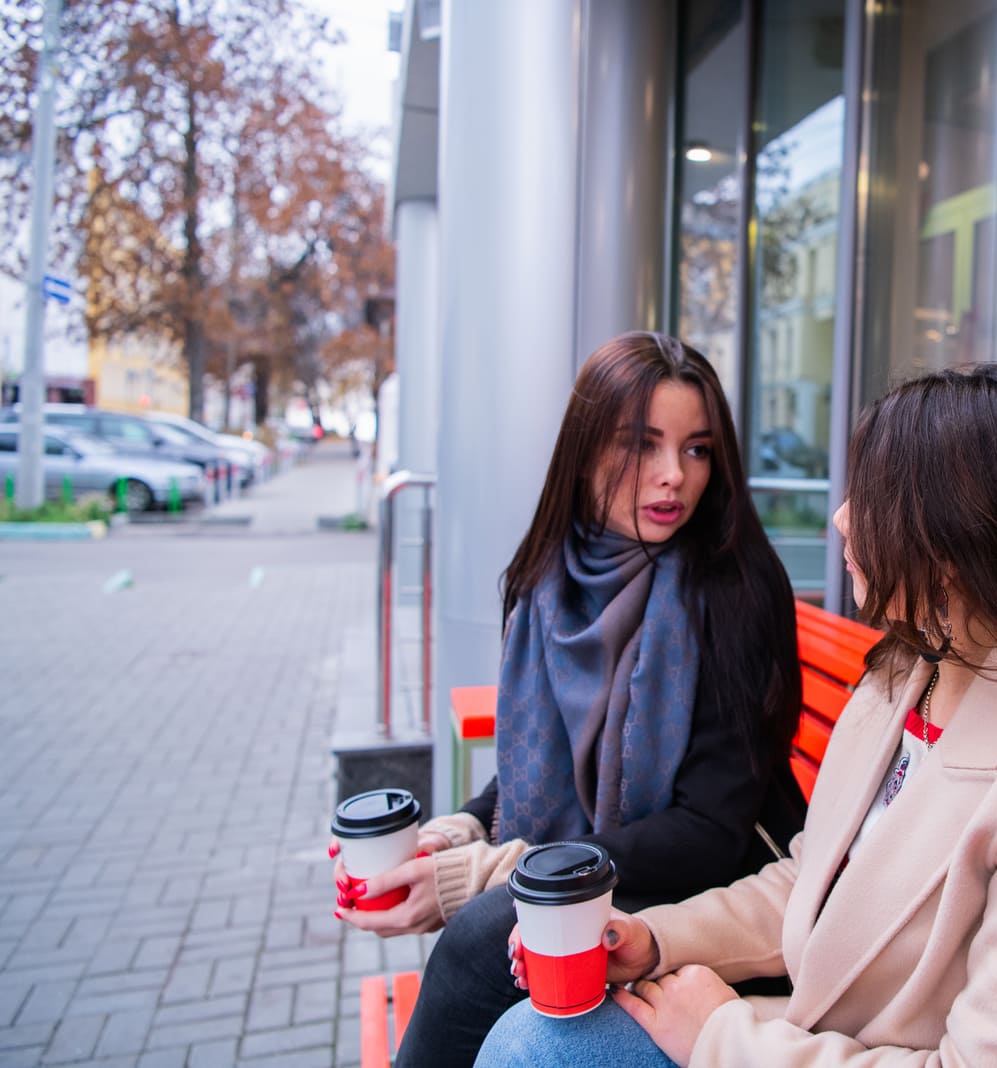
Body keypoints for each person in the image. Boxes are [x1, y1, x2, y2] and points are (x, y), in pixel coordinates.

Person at [478, 363, 997, 1066]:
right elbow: (814, 886)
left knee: (536, 1046)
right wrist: (653, 938)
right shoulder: (912, 677)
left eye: (872, 496)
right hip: (818, 1035)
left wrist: (721, 1037)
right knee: (538, 1026)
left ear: (959, 538)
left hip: (801, 1041)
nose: (839, 517)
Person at [331, 332, 807, 1066]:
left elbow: (710, 830)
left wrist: (487, 877)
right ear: (585, 449)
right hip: (607, 874)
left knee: (480, 940)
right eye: (641, 445)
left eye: (696, 449)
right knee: (495, 937)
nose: (672, 477)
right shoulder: (547, 581)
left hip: (710, 893)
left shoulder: (735, 588)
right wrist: (457, 832)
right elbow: (529, 763)